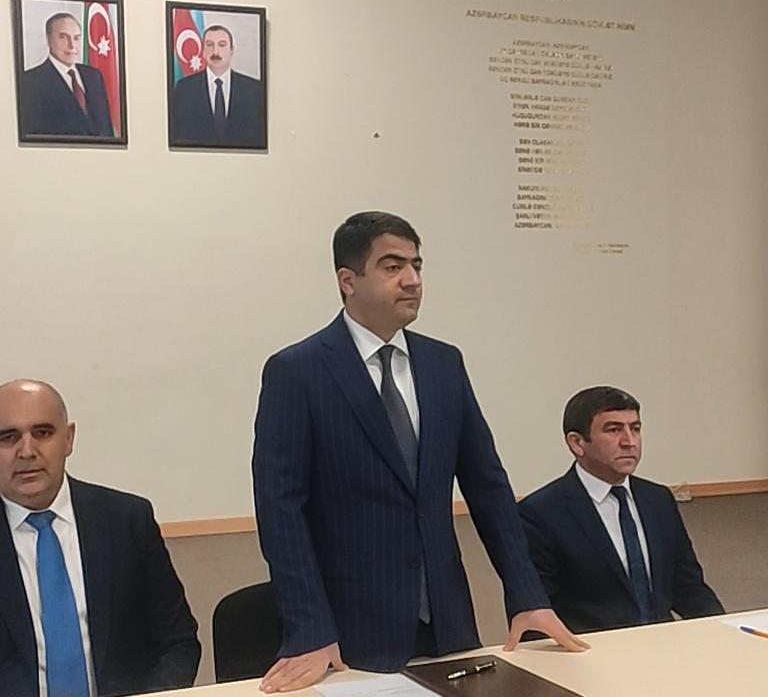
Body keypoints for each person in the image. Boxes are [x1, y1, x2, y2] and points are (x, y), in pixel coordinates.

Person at [251, 211, 588, 693]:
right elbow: (280, 511)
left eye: (416, 265)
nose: (412, 280)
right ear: (348, 280)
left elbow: (488, 487)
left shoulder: (442, 363)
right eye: (392, 267)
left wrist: (527, 595)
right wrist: (309, 629)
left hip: (448, 624)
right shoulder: (297, 371)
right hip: (347, 633)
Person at [0, 379, 199, 697]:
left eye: (43, 432)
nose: (27, 451)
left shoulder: (127, 521)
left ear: (68, 439)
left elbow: (177, 641)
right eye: (8, 437)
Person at [517, 386, 724, 634]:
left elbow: (688, 587)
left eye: (635, 429)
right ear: (577, 443)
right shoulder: (539, 514)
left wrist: (721, 632)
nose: (629, 442)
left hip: (664, 644)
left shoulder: (658, 499)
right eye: (613, 430)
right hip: (591, 650)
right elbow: (536, 613)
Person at [170, 24, 266, 148]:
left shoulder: (254, 89)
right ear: (203, 51)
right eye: (210, 45)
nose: (215, 52)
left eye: (222, 45)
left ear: (232, 50)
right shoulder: (184, 89)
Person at [20, 13, 114, 137]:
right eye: (63, 37)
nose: (72, 45)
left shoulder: (94, 76)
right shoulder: (30, 81)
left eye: (76, 38)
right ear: (48, 39)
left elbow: (106, 128)